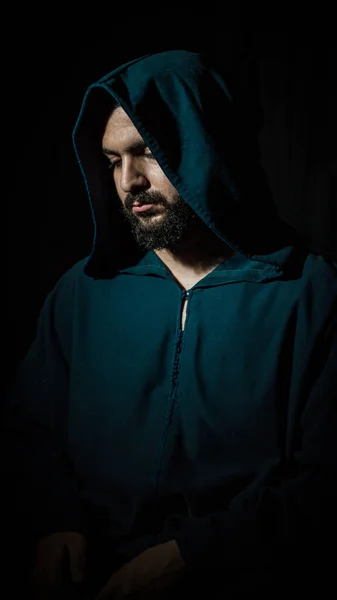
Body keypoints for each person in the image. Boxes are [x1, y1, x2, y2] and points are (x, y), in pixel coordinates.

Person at [3, 49, 337, 599]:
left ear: (207, 145)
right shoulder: (85, 292)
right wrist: (53, 519)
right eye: (112, 160)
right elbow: (27, 427)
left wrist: (198, 555)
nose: (128, 180)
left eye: (146, 151)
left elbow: (328, 483)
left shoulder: (310, 295)